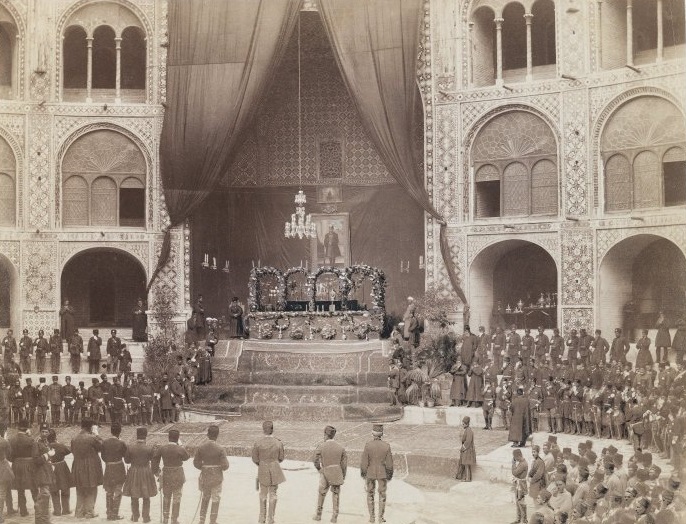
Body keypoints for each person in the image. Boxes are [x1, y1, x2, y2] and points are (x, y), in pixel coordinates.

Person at [152, 428, 190, 524]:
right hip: (178, 475)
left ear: (168, 438)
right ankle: (174, 519)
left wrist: (157, 472)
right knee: (177, 497)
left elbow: (155, 460)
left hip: (166, 475)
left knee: (166, 496)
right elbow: (186, 457)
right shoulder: (180, 448)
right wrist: (181, 445)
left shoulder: (162, 448)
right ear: (178, 438)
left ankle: (165, 519)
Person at [194, 425, 229, 524]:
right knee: (215, 497)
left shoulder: (201, 447)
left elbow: (196, 463)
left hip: (205, 476)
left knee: (205, 496)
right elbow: (225, 466)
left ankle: (201, 519)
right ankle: (213, 521)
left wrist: (204, 467)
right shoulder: (220, 449)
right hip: (217, 477)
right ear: (217, 435)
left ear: (207, 435)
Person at [252, 420, 285, 524]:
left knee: (263, 494)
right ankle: (271, 519)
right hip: (275, 469)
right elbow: (281, 458)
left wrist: (262, 464)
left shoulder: (257, 442)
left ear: (263, 430)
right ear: (272, 429)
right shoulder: (278, 442)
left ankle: (262, 519)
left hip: (262, 469)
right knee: (273, 494)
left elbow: (255, 459)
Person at [123, 427, 158, 523]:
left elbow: (126, 460)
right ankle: (146, 517)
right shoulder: (150, 448)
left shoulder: (130, 447)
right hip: (146, 471)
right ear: (145, 436)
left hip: (134, 471)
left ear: (137, 435)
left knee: (134, 495)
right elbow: (153, 459)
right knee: (146, 495)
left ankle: (135, 516)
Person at [313, 425, 347, 523]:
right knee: (336, 494)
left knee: (321, 493)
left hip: (325, 472)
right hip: (336, 473)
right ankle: (334, 517)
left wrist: (319, 468)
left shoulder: (321, 446)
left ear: (325, 434)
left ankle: (318, 515)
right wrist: (343, 475)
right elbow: (344, 464)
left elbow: (315, 459)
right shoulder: (341, 447)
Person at [360, 424, 393, 524]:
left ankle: (372, 517)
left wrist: (363, 473)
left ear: (372, 434)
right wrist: (389, 475)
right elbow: (389, 464)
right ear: (382, 434)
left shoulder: (368, 445)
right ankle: (380, 518)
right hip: (382, 473)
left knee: (370, 494)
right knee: (382, 495)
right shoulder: (386, 446)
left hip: (370, 473)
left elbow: (364, 462)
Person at [71, 418, 103, 519]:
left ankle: (79, 512)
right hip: (90, 466)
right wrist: (96, 433)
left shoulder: (74, 438)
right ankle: (89, 512)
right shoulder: (92, 438)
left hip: (77, 465)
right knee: (91, 488)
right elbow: (102, 446)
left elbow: (73, 451)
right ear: (91, 427)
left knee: (79, 489)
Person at [9, 418, 36, 517]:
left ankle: (23, 511)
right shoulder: (31, 439)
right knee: (34, 486)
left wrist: (15, 461)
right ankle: (37, 508)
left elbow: (9, 456)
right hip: (29, 464)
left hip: (16, 464)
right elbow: (35, 454)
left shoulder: (11, 440)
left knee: (20, 489)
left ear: (18, 427)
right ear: (27, 428)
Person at [101, 422, 127, 521]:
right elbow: (126, 456)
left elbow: (103, 457)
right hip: (119, 468)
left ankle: (109, 513)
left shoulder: (105, 442)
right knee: (118, 491)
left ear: (111, 431)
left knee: (109, 491)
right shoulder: (122, 443)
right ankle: (115, 513)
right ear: (119, 432)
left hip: (108, 468)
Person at [47, 428, 73, 517]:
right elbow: (69, 450)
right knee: (65, 488)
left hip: (51, 468)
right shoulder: (60, 445)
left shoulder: (46, 447)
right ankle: (66, 509)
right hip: (62, 467)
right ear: (55, 437)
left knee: (54, 490)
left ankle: (57, 510)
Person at [34, 422, 55, 523]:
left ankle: (45, 519)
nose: (44, 433)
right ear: (40, 432)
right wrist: (48, 454)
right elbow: (36, 460)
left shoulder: (46, 442)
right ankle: (40, 520)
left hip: (47, 472)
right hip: (41, 473)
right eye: (42, 431)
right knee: (44, 497)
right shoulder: (37, 443)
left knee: (45, 498)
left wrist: (50, 461)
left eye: (46, 432)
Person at [456, 416, 476, 482]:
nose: (463, 425)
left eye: (463, 424)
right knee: (465, 464)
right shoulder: (467, 430)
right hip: (466, 450)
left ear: (467, 424)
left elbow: (468, 441)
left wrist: (462, 448)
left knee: (466, 464)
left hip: (468, 450)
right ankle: (466, 477)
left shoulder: (469, 431)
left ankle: (467, 478)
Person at [512, 448, 529, 524]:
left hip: (521, 485)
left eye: (515, 457)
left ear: (518, 456)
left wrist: (513, 464)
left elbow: (514, 473)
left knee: (521, 502)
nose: (514, 459)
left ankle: (524, 520)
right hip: (519, 484)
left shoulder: (523, 464)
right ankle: (518, 519)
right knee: (518, 502)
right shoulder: (522, 462)